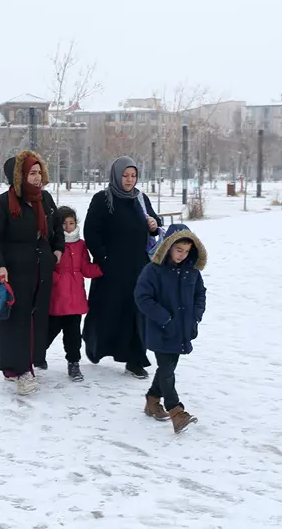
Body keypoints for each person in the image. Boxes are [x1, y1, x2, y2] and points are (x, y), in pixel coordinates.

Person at [0, 150, 64, 395]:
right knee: (15, 321)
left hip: (41, 270)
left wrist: (57, 249)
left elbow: (57, 227)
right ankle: (21, 370)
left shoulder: (45, 200)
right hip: (14, 272)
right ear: (20, 176)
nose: (37, 177)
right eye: (32, 173)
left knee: (37, 321)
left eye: (39, 172)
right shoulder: (4, 203)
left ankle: (26, 363)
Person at [83, 156, 162, 379]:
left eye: (133, 176)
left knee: (137, 311)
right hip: (112, 268)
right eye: (125, 176)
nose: (129, 180)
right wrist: (103, 257)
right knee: (107, 310)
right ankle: (95, 344)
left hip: (139, 267)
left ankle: (135, 359)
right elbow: (91, 231)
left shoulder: (140, 199)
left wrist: (155, 225)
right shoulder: (103, 199)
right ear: (117, 175)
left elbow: (153, 223)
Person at [134, 223, 207, 434]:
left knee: (168, 368)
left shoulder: (192, 272)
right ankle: (176, 411)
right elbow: (142, 297)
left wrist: (195, 316)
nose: (182, 255)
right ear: (167, 246)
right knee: (167, 370)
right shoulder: (153, 270)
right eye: (178, 250)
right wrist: (164, 318)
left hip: (183, 329)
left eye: (187, 251)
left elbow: (200, 295)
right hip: (160, 329)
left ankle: (152, 400)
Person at [47, 206, 102, 382]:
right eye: (64, 224)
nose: (68, 227)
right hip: (57, 299)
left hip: (75, 300)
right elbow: (47, 267)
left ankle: (73, 363)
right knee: (47, 333)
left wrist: (102, 268)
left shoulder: (81, 245)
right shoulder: (53, 243)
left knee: (73, 336)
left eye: (71, 223)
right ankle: (34, 357)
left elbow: (85, 268)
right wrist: (56, 279)